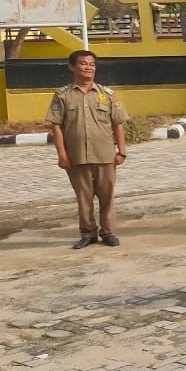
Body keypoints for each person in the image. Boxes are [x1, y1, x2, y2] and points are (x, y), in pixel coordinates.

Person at [45, 49, 129, 249]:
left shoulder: (107, 94)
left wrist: (122, 151)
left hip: (105, 155)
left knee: (107, 196)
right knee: (83, 198)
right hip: (76, 157)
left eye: (91, 64)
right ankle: (88, 233)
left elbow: (118, 124)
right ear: (72, 67)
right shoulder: (63, 95)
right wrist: (62, 154)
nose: (88, 67)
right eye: (83, 63)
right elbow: (56, 125)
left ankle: (108, 232)